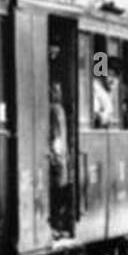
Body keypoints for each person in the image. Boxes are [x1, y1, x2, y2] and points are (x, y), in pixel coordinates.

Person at [49, 82, 73, 236]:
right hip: (61, 156)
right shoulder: (58, 109)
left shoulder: (54, 109)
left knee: (57, 190)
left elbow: (57, 136)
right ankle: (57, 224)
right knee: (59, 191)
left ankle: (56, 224)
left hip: (58, 155)